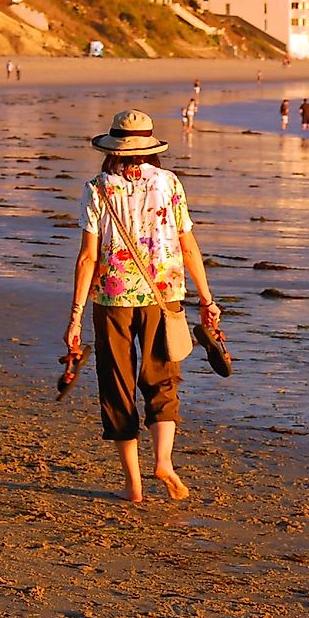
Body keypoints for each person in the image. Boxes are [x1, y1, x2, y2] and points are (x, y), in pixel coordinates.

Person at [62, 109, 222, 503]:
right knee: (162, 378)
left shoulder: (97, 188)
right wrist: (207, 299)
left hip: (111, 298)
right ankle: (164, 461)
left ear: (112, 147)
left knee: (116, 383)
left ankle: (133, 485)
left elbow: (87, 258)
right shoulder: (168, 183)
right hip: (163, 296)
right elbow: (187, 245)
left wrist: (76, 317)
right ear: (151, 147)